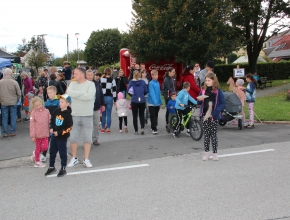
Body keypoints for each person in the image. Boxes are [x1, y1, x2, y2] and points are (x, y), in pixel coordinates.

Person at [67, 67, 96, 168]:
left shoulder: (91, 84)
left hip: (87, 115)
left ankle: (86, 159)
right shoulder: (72, 84)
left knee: (87, 139)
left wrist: (76, 95)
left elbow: (90, 96)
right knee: (73, 138)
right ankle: (74, 158)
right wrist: (83, 94)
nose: (74, 75)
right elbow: (68, 93)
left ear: (82, 74)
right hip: (74, 115)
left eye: (75, 74)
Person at [197, 72, 225, 161]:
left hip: (213, 116)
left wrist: (215, 113)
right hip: (205, 115)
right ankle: (206, 153)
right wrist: (199, 99)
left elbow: (222, 103)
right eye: (206, 80)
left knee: (213, 135)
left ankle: (215, 153)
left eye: (209, 80)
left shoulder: (218, 91)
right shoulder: (203, 90)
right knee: (206, 135)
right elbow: (199, 102)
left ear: (214, 81)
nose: (207, 82)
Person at [45, 94, 73, 177]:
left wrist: (60, 132)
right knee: (52, 151)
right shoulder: (56, 111)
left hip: (62, 137)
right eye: (60, 101)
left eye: (62, 102)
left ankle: (63, 168)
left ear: (67, 104)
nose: (60, 103)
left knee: (62, 152)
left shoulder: (68, 115)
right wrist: (51, 128)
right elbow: (52, 120)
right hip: (54, 135)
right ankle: (51, 166)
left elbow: (69, 127)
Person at [29, 97, 50, 168]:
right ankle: (37, 161)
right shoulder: (33, 113)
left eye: (40, 104)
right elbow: (32, 125)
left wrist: (51, 128)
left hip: (45, 133)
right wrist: (33, 135)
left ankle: (35, 154)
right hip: (37, 134)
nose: (39, 106)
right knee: (38, 148)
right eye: (37, 105)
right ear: (34, 106)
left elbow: (49, 121)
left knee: (45, 146)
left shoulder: (46, 111)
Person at [86, 70, 105, 146]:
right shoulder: (83, 84)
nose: (90, 76)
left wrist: (103, 104)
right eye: (88, 75)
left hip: (96, 107)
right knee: (88, 126)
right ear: (86, 76)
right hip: (87, 109)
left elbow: (101, 94)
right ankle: (87, 140)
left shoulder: (97, 84)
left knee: (96, 124)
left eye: (91, 75)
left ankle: (95, 139)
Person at [0, 68, 21, 137]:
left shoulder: (0, 82)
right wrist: (16, 100)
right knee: (13, 116)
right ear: (11, 74)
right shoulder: (14, 82)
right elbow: (19, 93)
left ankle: (5, 132)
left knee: (4, 117)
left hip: (3, 102)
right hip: (13, 101)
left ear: (4, 73)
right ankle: (13, 131)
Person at [42, 86, 60, 161]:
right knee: (47, 139)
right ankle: (44, 154)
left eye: (51, 92)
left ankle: (61, 152)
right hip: (48, 123)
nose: (49, 94)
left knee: (57, 139)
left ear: (55, 93)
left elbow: (60, 112)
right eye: (48, 93)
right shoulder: (47, 102)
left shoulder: (58, 101)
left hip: (56, 123)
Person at [128, 70, 148, 135]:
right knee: (141, 115)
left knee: (135, 116)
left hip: (134, 100)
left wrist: (133, 95)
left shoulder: (131, 82)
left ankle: (136, 130)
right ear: (139, 75)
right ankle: (142, 128)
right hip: (142, 100)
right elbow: (146, 90)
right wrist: (142, 94)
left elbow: (128, 91)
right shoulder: (142, 82)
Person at [100, 68, 117, 133]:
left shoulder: (101, 80)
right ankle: (108, 128)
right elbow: (114, 91)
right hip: (109, 97)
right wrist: (115, 100)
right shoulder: (112, 80)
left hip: (103, 97)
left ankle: (102, 128)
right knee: (109, 114)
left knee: (103, 114)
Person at [148, 70, 163, 134]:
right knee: (153, 115)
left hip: (157, 103)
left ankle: (154, 126)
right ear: (152, 76)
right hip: (152, 103)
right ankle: (153, 128)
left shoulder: (158, 83)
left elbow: (158, 93)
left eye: (157, 75)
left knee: (156, 115)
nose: (157, 76)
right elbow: (152, 94)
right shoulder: (151, 83)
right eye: (155, 75)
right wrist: (155, 102)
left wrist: (160, 101)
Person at [162, 67, 177, 132]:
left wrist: (175, 93)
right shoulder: (166, 79)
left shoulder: (174, 78)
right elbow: (168, 87)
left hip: (173, 96)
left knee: (174, 109)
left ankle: (173, 123)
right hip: (168, 96)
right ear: (169, 72)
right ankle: (167, 124)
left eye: (174, 72)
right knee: (169, 110)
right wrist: (174, 92)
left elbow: (175, 86)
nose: (174, 73)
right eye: (173, 72)